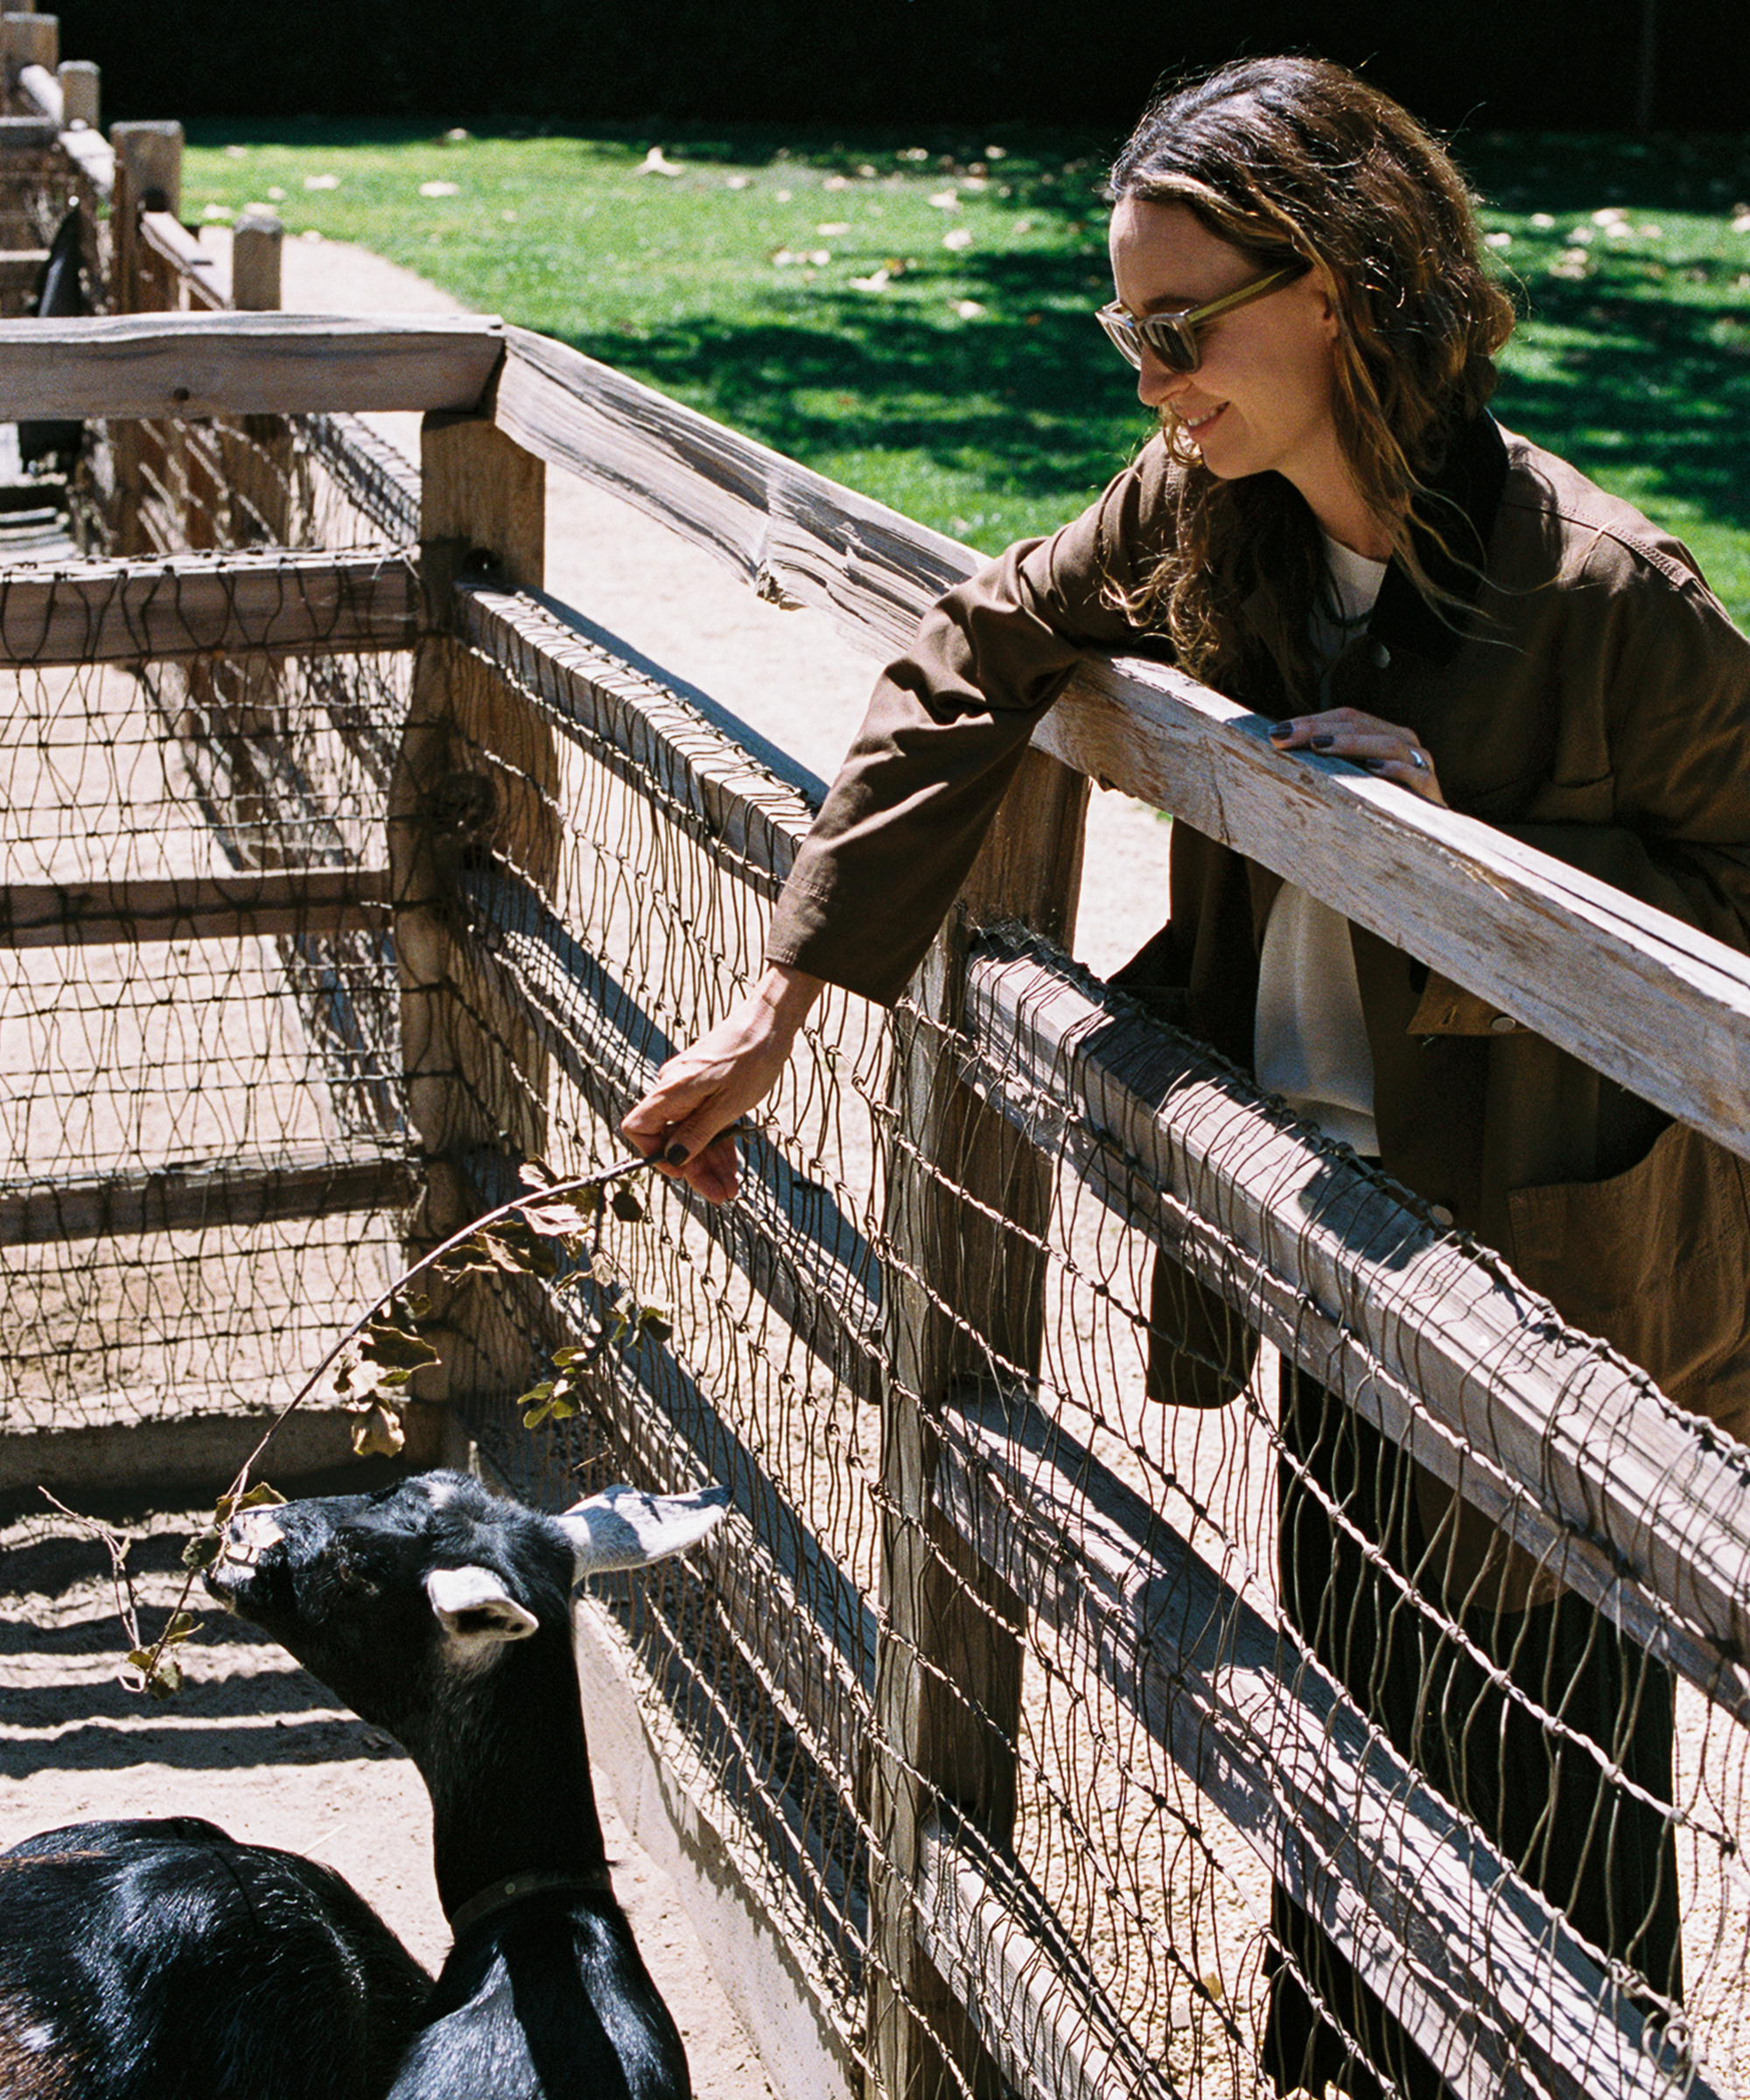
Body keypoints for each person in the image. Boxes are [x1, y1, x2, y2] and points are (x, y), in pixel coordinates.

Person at [624, 53, 1750, 2096]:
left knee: (1544, 1771)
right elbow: (969, 653)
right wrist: (779, 1004)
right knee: (1350, 1723)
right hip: (1326, 1228)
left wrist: (1482, 868)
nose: (1149, 377)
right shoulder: (1201, 510)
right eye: (1119, 331)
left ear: (1333, 289)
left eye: (1179, 326)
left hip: (1549, 1279)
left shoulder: (1607, 597)